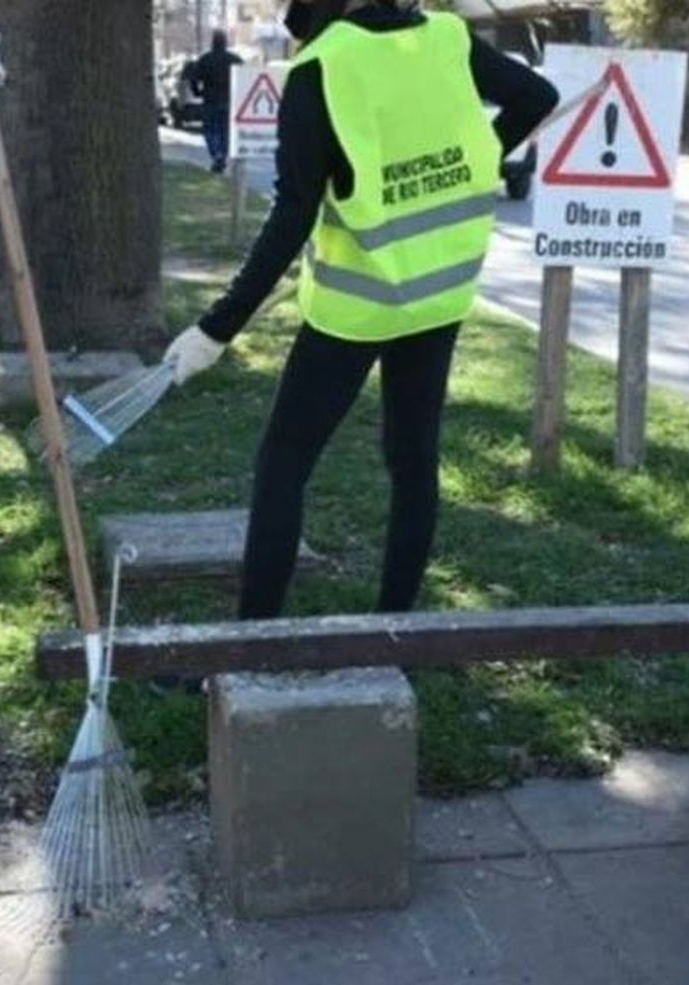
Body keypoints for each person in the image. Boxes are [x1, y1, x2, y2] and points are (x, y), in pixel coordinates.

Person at [163, 0, 558, 622]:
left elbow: (292, 215)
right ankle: (393, 630)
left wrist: (217, 327)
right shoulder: (448, 38)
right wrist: (481, 156)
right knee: (412, 460)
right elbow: (538, 95)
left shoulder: (322, 69)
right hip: (438, 294)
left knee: (284, 463)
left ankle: (250, 645)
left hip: (357, 306)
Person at [191, 29, 243, 174]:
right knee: (225, 131)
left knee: (210, 130)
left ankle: (216, 154)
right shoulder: (234, 60)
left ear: (212, 42)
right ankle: (222, 155)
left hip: (210, 100)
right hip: (229, 101)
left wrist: (198, 92)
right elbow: (244, 78)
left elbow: (193, 79)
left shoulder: (205, 59)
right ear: (225, 42)